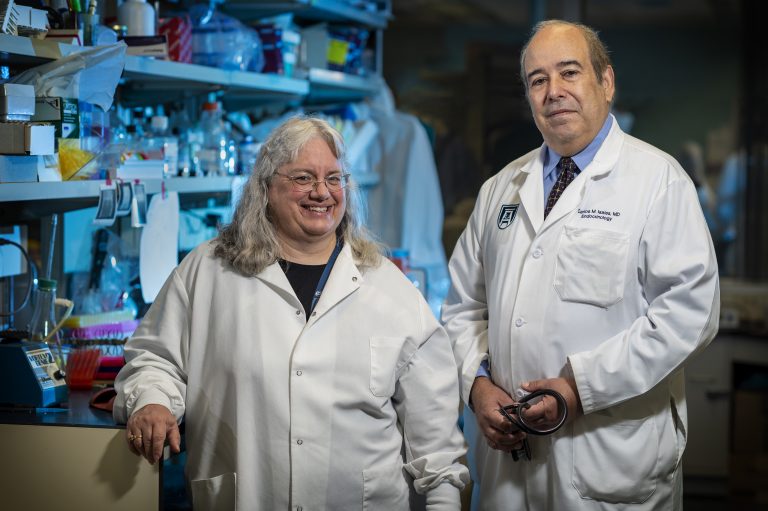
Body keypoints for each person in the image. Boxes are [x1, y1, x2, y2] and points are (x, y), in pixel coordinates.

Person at [113, 116, 469, 510]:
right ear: (266, 188)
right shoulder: (207, 271)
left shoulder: (389, 289)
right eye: (303, 178)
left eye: (334, 179)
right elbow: (154, 358)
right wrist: (152, 400)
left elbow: (437, 442)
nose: (322, 192)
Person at [442, 20, 719, 510]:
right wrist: (477, 385)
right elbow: (463, 306)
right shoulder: (501, 189)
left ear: (606, 82)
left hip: (607, 459)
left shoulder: (658, 181)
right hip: (508, 465)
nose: (554, 91)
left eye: (569, 72)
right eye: (538, 80)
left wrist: (578, 389)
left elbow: (689, 314)